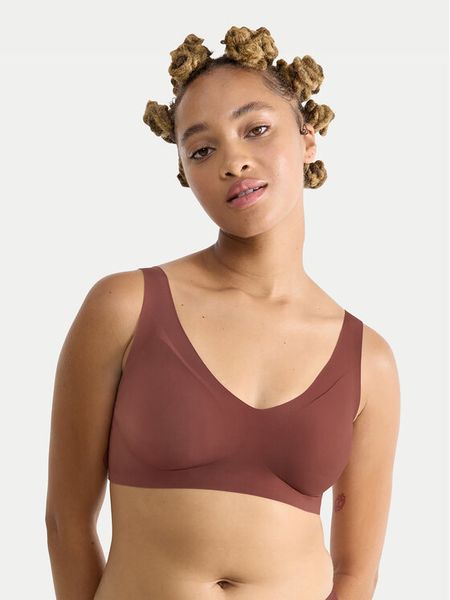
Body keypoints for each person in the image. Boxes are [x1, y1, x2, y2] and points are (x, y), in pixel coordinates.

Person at [45, 25, 401, 600]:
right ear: (186, 174)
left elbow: (357, 574)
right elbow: (66, 523)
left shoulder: (369, 361)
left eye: (256, 129)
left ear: (308, 139)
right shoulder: (124, 307)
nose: (233, 161)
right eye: (202, 150)